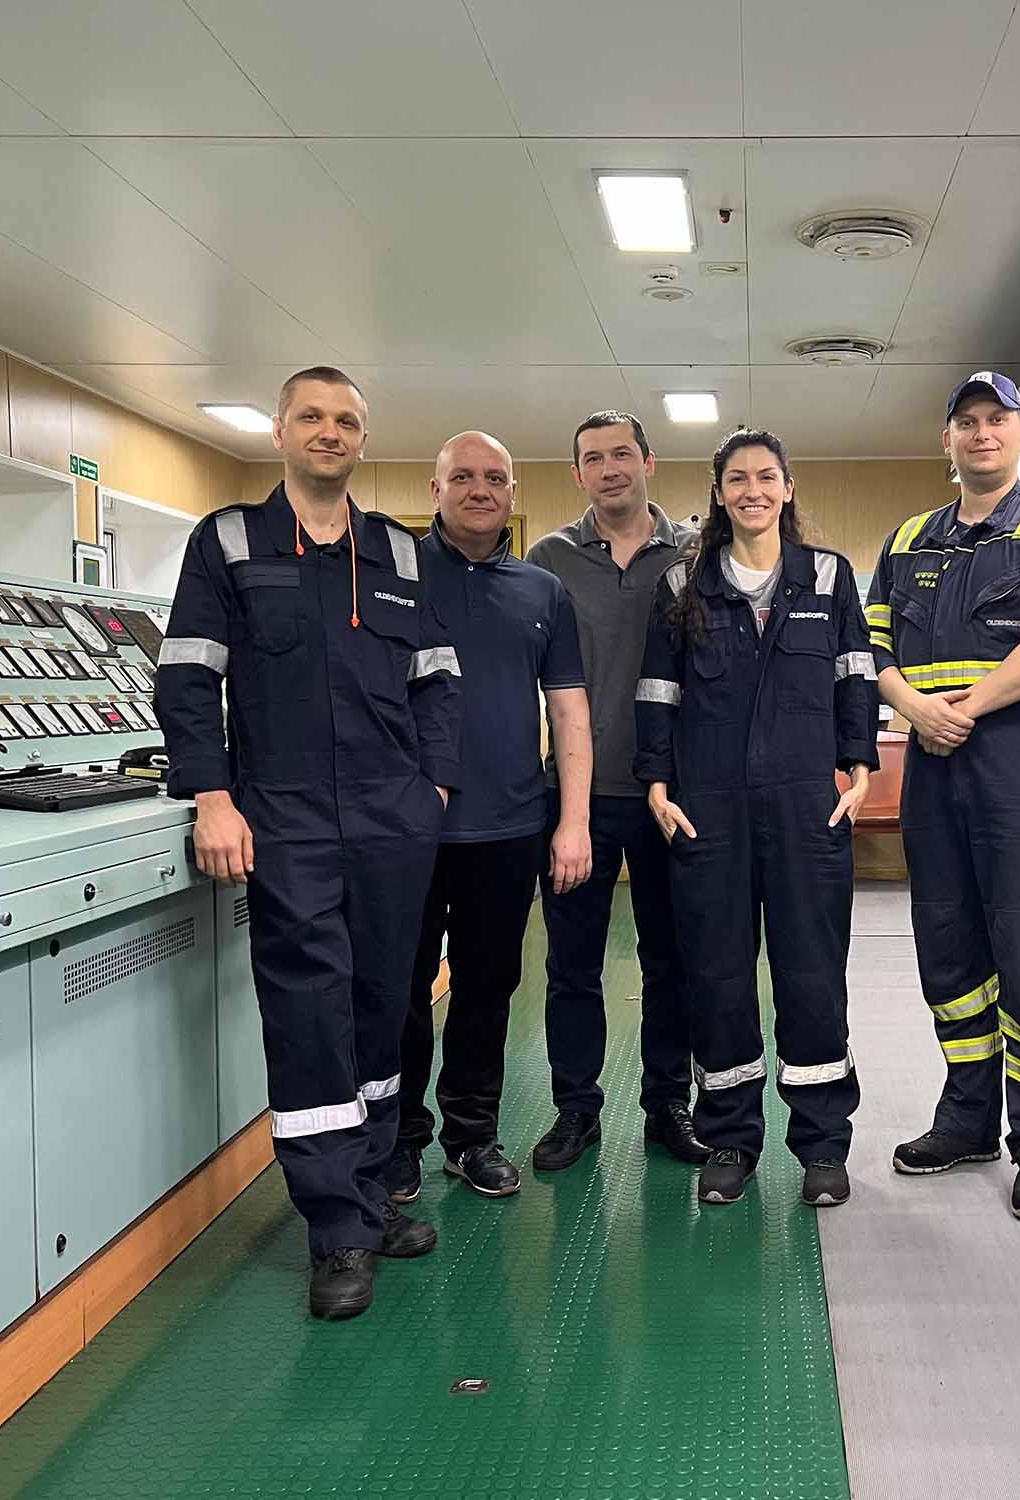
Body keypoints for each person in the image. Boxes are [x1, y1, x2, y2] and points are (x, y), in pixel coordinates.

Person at [156, 366, 461, 1319]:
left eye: (347, 421)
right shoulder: (230, 541)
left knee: (383, 1006)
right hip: (282, 816)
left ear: (363, 439)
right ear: (282, 430)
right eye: (312, 418)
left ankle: (369, 1197)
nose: (329, 433)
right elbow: (188, 677)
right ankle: (334, 1228)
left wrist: (434, 786)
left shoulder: (402, 554)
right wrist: (212, 795)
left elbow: (438, 680)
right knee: (307, 1010)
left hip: (391, 818)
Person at [865, 371, 1020, 1222]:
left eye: (995, 420)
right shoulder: (908, 538)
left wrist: (962, 709)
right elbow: (873, 647)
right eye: (964, 422)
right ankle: (967, 1117)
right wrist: (913, 709)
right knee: (947, 943)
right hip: (934, 758)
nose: (980, 434)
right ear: (947, 441)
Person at [634, 429, 877, 1206]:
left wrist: (861, 764)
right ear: (718, 492)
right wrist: (658, 780)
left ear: (789, 486)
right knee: (718, 978)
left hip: (807, 809)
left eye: (767, 477)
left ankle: (821, 1147)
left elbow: (856, 674)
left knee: (812, 975)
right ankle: (732, 1138)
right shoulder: (682, 585)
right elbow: (657, 691)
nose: (753, 490)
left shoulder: (829, 576)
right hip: (708, 812)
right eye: (738, 479)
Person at [388, 432, 591, 1204]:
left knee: (486, 989)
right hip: (407, 828)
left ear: (513, 492)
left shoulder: (542, 591)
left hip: (508, 828)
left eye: (495, 478)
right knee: (400, 987)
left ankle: (470, 1138)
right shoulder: (392, 578)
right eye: (463, 476)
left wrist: (571, 820)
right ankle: (399, 1141)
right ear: (434, 488)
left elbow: (568, 711)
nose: (480, 488)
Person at [523, 412, 705, 1171]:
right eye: (592, 457)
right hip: (577, 799)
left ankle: (668, 1104)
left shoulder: (696, 555)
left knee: (673, 960)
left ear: (648, 461)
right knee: (572, 965)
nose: (609, 468)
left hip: (671, 792)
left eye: (621, 454)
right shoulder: (549, 558)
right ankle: (576, 1109)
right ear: (577, 473)